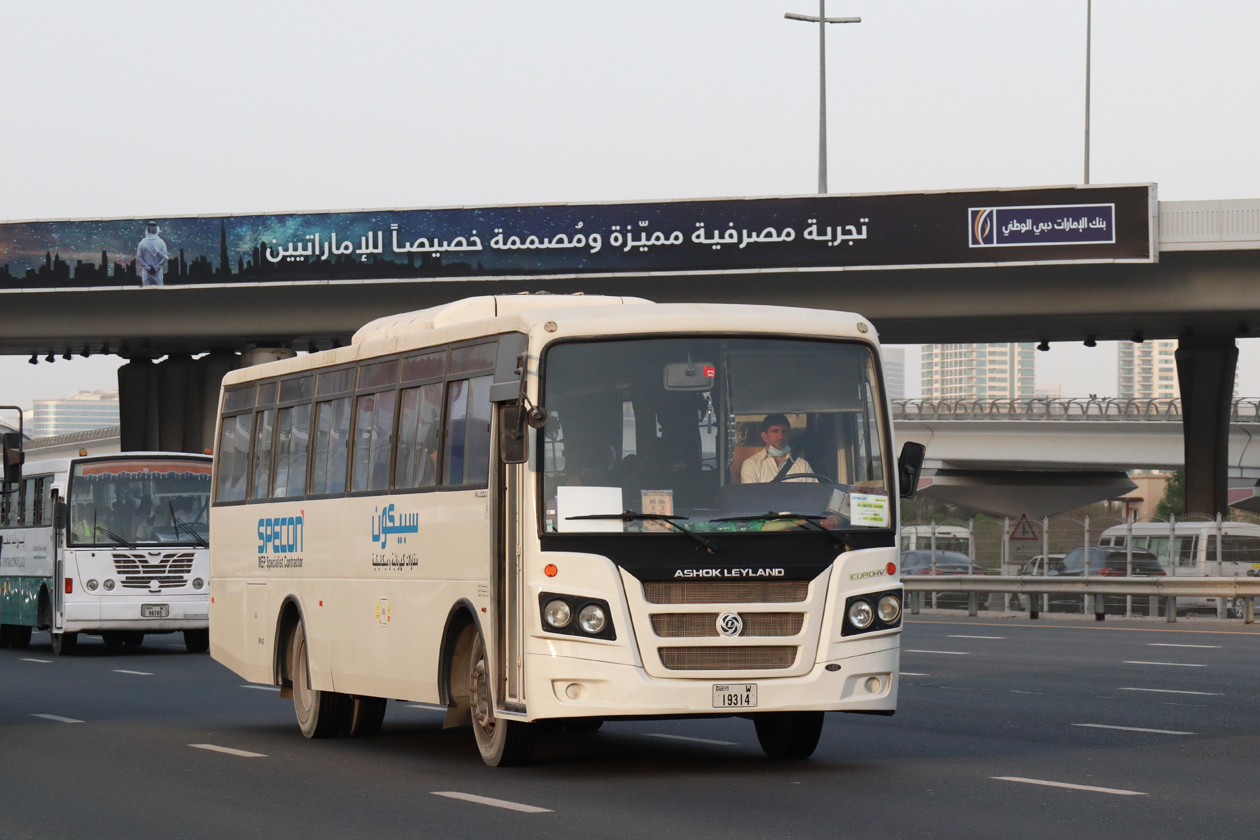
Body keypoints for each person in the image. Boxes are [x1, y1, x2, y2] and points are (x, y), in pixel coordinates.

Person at [740, 413, 815, 483]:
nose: (781, 437)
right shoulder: (751, 465)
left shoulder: (803, 465)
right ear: (764, 437)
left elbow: (814, 494)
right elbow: (751, 496)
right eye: (775, 431)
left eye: (784, 431)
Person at [136, 222, 169, 287]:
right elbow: (165, 258)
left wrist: (148, 268)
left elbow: (139, 258)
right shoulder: (161, 242)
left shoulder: (142, 243)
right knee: (160, 294)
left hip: (146, 274)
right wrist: (156, 268)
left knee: (146, 294)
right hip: (158, 274)